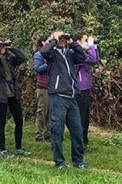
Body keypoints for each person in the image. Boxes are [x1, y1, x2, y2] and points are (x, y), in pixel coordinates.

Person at [40, 30, 87, 169]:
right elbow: (44, 52)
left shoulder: (70, 54)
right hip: (58, 97)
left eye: (63, 38)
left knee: (77, 131)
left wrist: (71, 42)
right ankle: (59, 162)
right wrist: (54, 40)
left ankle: (78, 161)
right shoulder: (52, 55)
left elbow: (83, 57)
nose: (62, 40)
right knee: (57, 131)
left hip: (72, 98)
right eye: (60, 38)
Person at [0, 38, 30, 159]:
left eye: (3, 47)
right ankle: (3, 150)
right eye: (1, 47)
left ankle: (18, 147)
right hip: (1, 92)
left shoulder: (9, 58)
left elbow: (22, 58)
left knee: (19, 120)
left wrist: (10, 46)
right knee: (2, 122)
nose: (2, 49)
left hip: (12, 91)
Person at [73, 32, 100, 149]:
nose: (86, 43)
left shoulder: (82, 52)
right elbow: (92, 60)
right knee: (81, 116)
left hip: (86, 87)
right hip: (80, 87)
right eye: (84, 40)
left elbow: (96, 59)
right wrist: (91, 47)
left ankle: (84, 139)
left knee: (85, 116)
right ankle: (80, 141)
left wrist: (94, 47)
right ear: (78, 41)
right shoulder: (76, 53)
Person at [33, 35, 50, 142]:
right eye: (49, 41)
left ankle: (49, 133)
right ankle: (39, 134)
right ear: (43, 42)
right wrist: (48, 64)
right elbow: (37, 68)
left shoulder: (53, 54)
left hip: (53, 86)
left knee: (52, 112)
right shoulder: (39, 54)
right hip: (43, 87)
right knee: (42, 111)